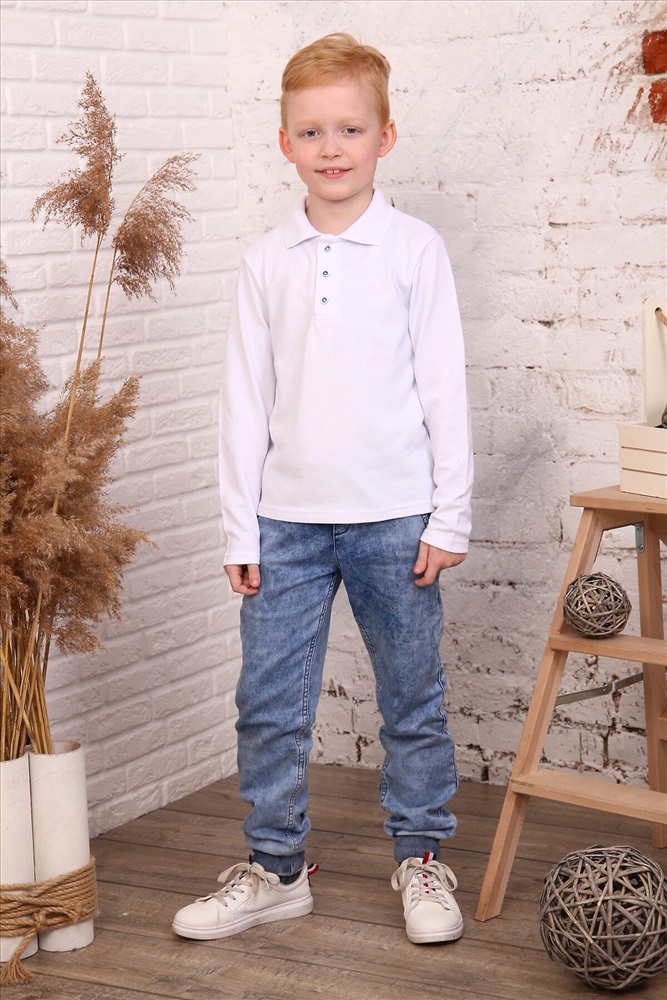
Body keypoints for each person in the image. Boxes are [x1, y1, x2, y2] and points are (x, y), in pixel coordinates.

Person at [172, 31, 473, 947]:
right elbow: (244, 400)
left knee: (410, 698)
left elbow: (443, 387)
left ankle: (421, 857)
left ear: (385, 136)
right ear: (284, 143)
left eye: (349, 129)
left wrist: (448, 515)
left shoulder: (413, 250)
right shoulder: (267, 259)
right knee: (268, 705)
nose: (331, 148)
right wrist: (240, 530)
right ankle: (274, 869)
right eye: (311, 132)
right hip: (285, 524)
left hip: (395, 517)